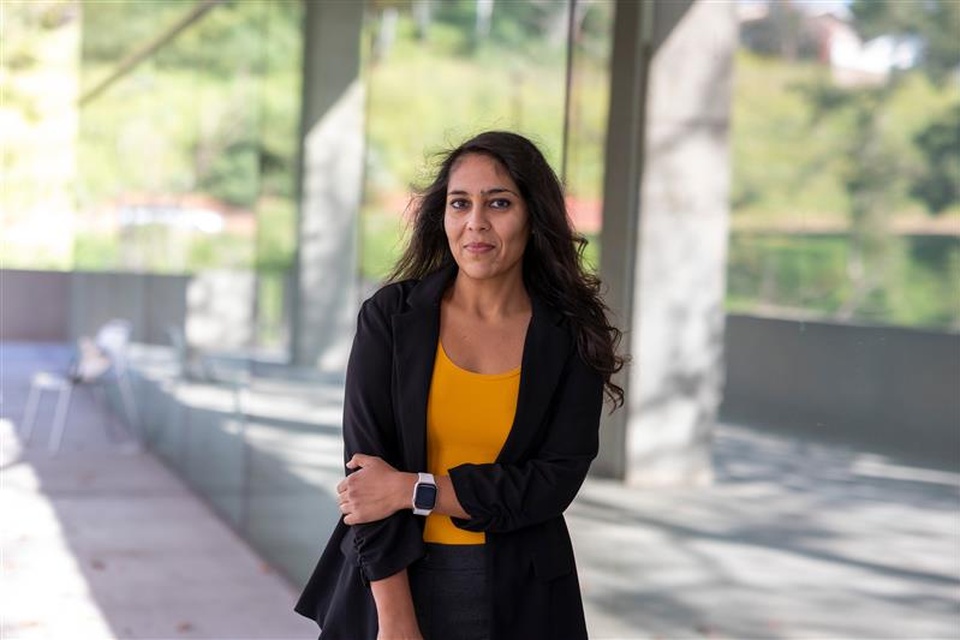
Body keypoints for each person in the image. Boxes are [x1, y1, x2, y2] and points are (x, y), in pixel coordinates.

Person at [295, 130, 625, 640]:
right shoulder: (391, 318)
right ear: (442, 216)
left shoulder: (570, 334)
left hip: (523, 596)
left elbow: (550, 484)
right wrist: (397, 621)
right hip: (390, 588)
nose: (476, 223)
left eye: (498, 203)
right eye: (459, 203)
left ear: (533, 215)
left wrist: (413, 490)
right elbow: (364, 485)